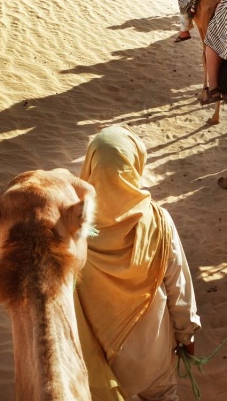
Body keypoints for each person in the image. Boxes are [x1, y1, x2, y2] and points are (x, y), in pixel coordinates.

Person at [77, 125, 201, 401]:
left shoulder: (73, 229)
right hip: (152, 355)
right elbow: (178, 286)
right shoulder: (158, 221)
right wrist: (186, 335)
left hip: (98, 360)